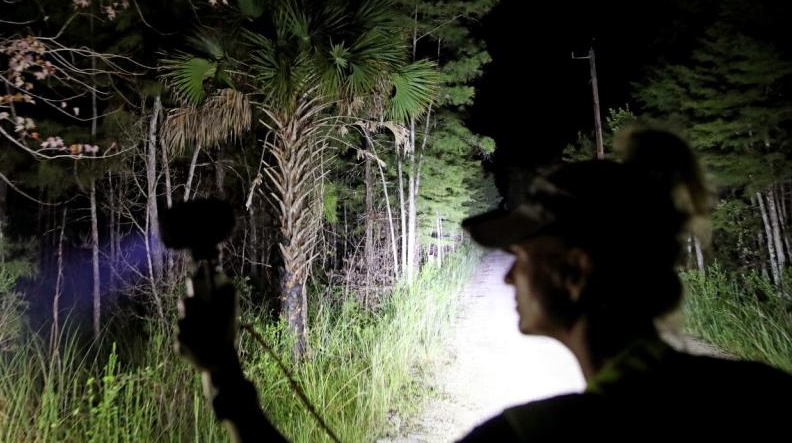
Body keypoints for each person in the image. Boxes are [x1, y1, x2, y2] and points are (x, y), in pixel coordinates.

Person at [177, 127, 792, 442]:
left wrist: (224, 375)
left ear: (576, 272)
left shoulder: (530, 438)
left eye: (522, 255)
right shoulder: (760, 393)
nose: (507, 276)